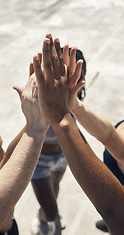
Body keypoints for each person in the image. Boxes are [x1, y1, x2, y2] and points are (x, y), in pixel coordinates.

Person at [32, 33, 124, 235]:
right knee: (52, 207)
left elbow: (112, 207)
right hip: (46, 161)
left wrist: (62, 114)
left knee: (117, 217)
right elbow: (107, 134)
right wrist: (73, 105)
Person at [0, 69, 49, 235]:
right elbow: (10, 158)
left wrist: (37, 117)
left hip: (11, 228)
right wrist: (36, 122)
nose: (3, 154)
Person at [30, 47, 87, 235]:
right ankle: (44, 217)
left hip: (62, 156)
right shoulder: (43, 94)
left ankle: (46, 217)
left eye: (75, 74)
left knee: (55, 187)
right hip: (39, 160)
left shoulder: (74, 96)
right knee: (51, 211)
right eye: (64, 72)